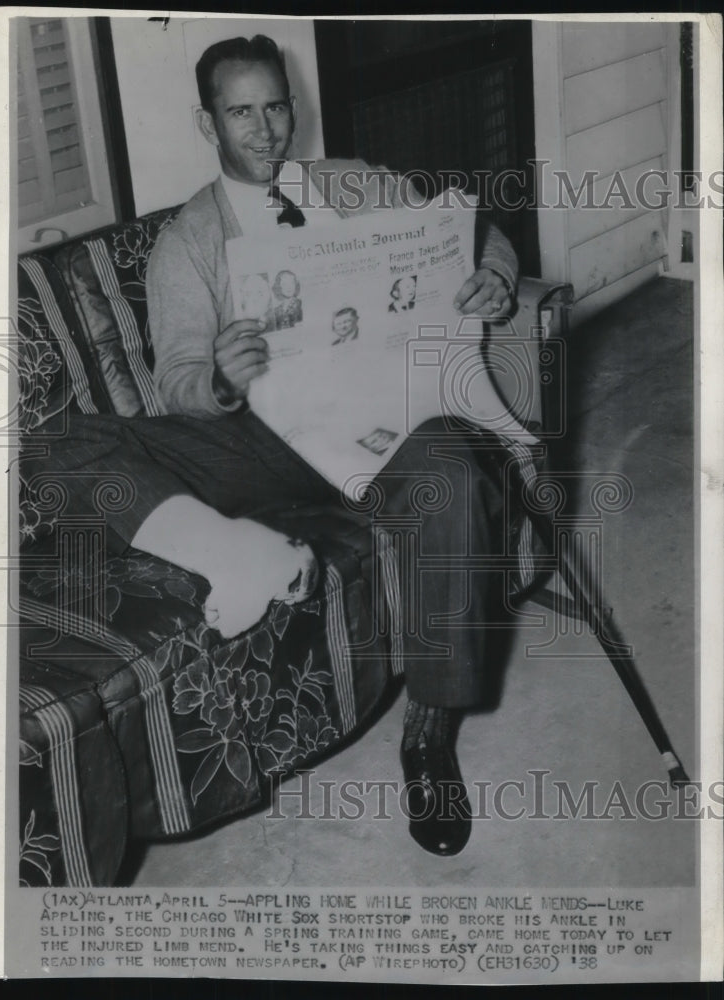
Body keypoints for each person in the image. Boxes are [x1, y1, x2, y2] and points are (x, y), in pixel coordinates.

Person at [31, 34, 520, 858]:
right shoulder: (190, 239)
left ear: (294, 106)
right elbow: (181, 378)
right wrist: (221, 377)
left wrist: (495, 277)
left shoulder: (355, 183)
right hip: (266, 441)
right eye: (240, 112)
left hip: (391, 422)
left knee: (448, 469)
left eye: (275, 106)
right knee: (55, 440)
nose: (264, 130)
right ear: (207, 121)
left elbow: (472, 235)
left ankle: (428, 738)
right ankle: (234, 553)